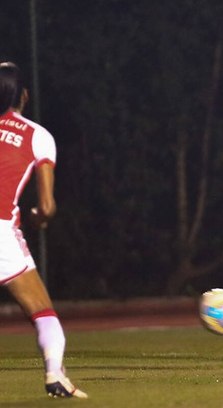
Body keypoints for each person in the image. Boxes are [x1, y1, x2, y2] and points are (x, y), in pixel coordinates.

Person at [0, 62, 87, 398]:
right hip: (3, 233)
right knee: (43, 313)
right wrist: (38, 217)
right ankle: (54, 375)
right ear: (24, 95)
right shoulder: (38, 136)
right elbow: (47, 207)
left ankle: (60, 376)